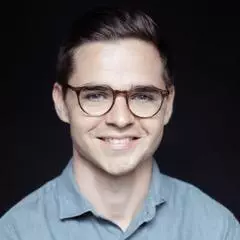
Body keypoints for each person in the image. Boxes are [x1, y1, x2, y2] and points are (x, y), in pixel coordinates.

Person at [1, 6, 239, 240]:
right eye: (95, 95)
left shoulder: (217, 229)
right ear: (61, 102)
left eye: (142, 96)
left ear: (168, 105)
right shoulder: (15, 233)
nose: (121, 119)